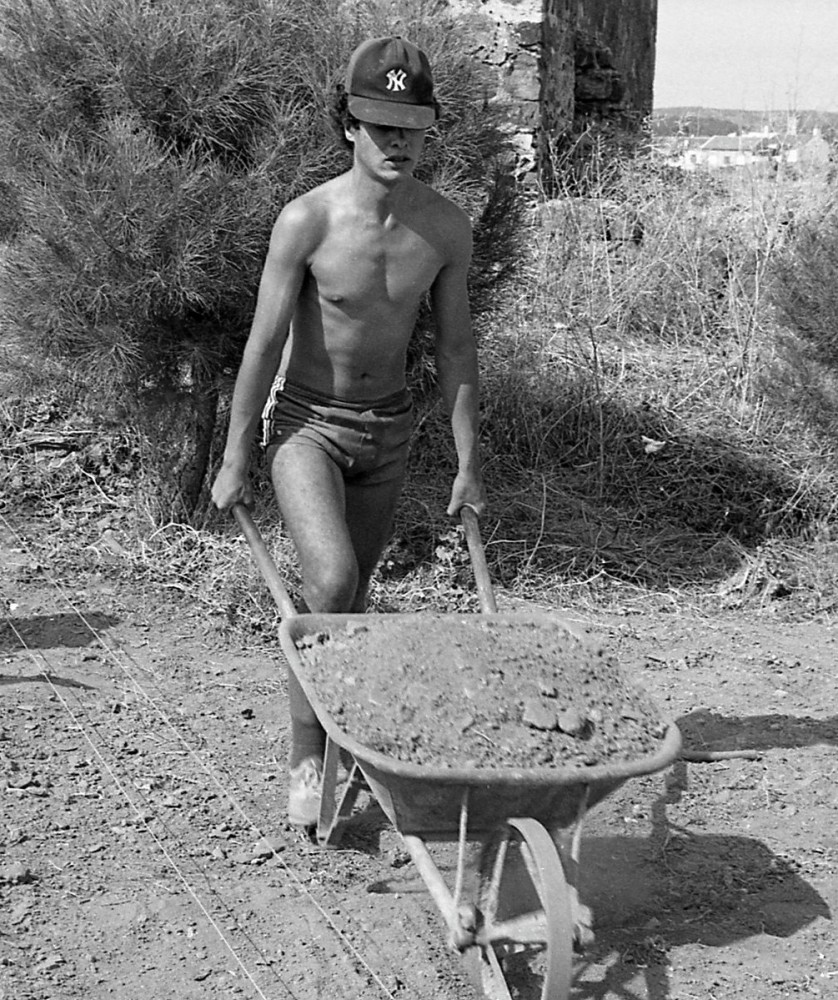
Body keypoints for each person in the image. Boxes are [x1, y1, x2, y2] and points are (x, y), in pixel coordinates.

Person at [211, 35, 486, 826]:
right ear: (348, 127)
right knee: (329, 582)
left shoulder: (444, 228)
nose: (398, 142)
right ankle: (308, 757)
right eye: (381, 127)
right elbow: (263, 343)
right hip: (308, 428)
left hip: (388, 436)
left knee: (353, 604)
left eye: (412, 128)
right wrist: (236, 454)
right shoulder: (308, 221)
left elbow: (457, 350)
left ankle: (345, 738)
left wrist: (468, 464)